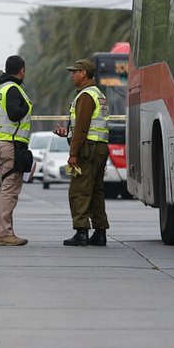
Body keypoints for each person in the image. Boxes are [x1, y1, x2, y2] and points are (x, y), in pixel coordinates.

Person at [55, 58, 110, 247]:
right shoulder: (97, 94)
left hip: (88, 148)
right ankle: (100, 232)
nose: (72, 75)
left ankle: (81, 232)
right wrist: (66, 133)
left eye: (74, 72)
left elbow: (82, 127)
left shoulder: (86, 96)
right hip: (99, 147)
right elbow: (83, 127)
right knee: (95, 190)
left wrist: (73, 153)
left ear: (84, 74)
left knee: (79, 190)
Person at [0, 55, 33, 247]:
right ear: (21, 70)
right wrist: (27, 105)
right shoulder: (13, 89)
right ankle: (4, 233)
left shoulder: (0, 88)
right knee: (9, 191)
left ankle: (4, 231)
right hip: (12, 144)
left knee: (5, 189)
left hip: (2, 142)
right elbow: (15, 113)